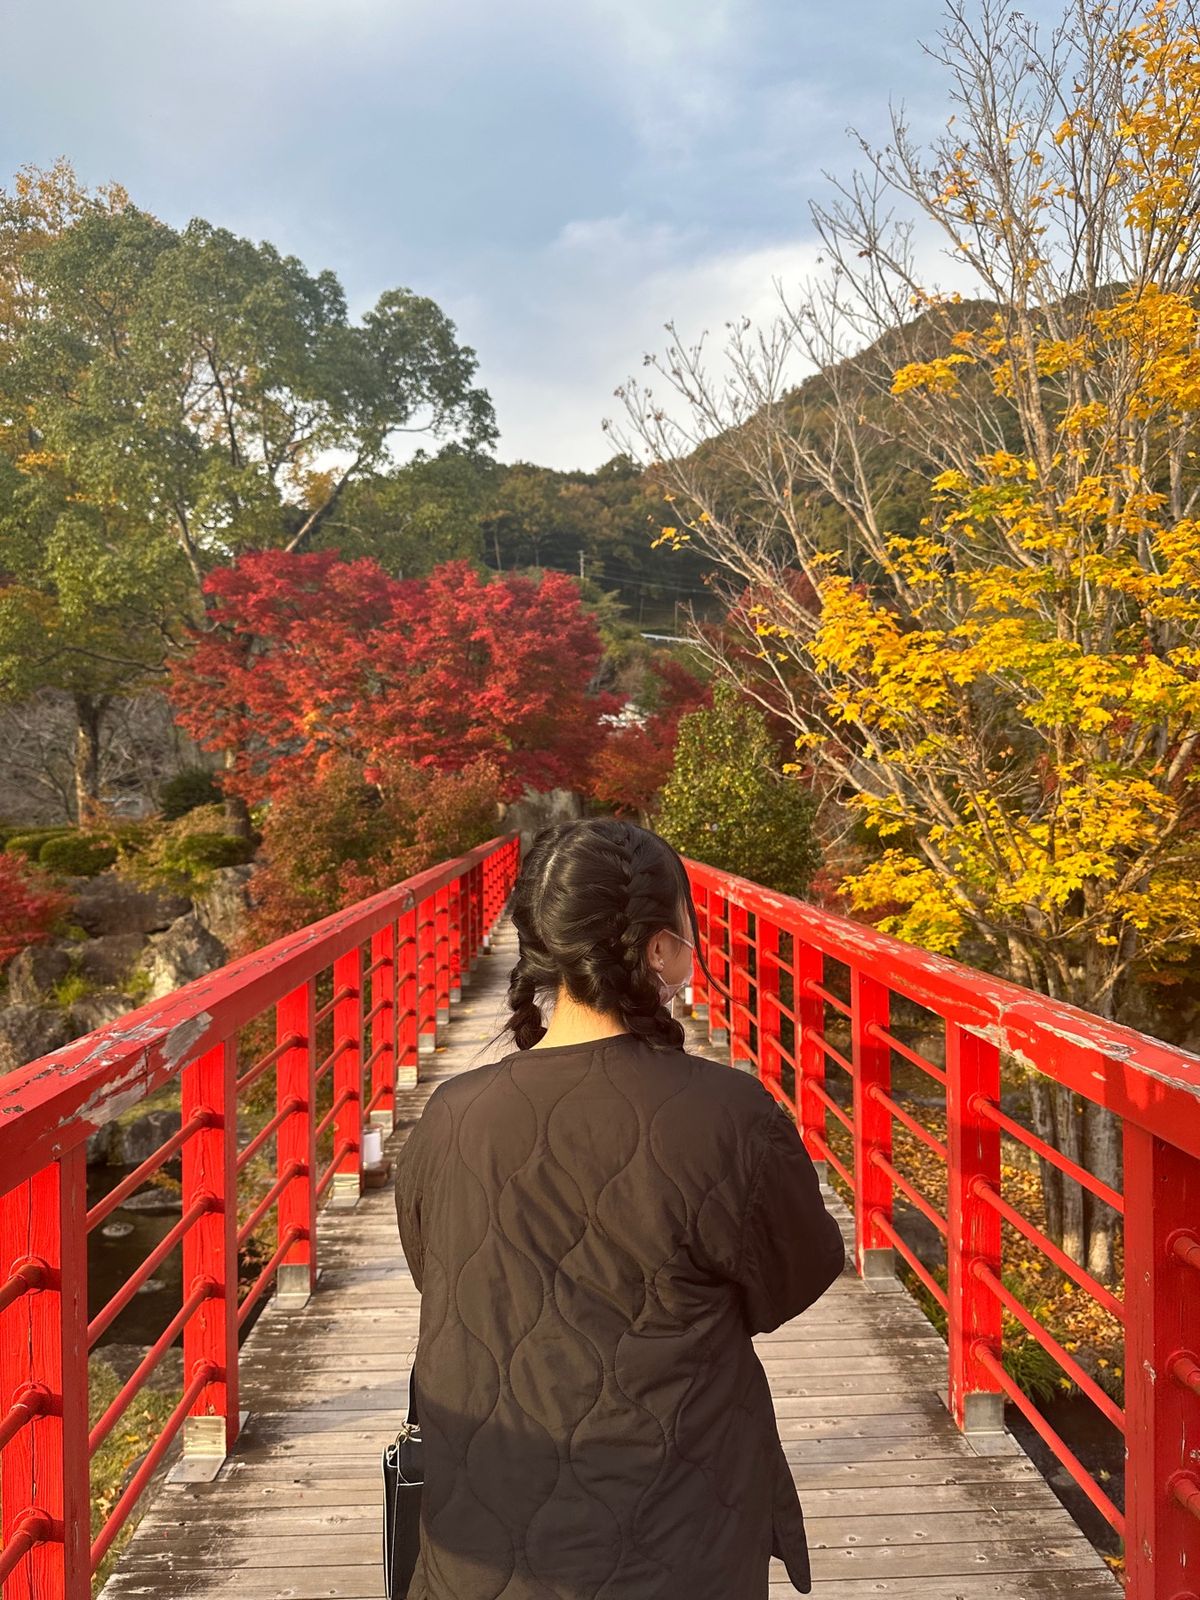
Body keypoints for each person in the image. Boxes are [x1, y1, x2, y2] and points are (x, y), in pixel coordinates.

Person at [394, 817, 845, 1599]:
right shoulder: (729, 1114)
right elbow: (796, 1273)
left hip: (486, 1535)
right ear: (661, 949)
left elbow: (434, 1267)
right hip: (677, 1529)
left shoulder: (453, 1115)